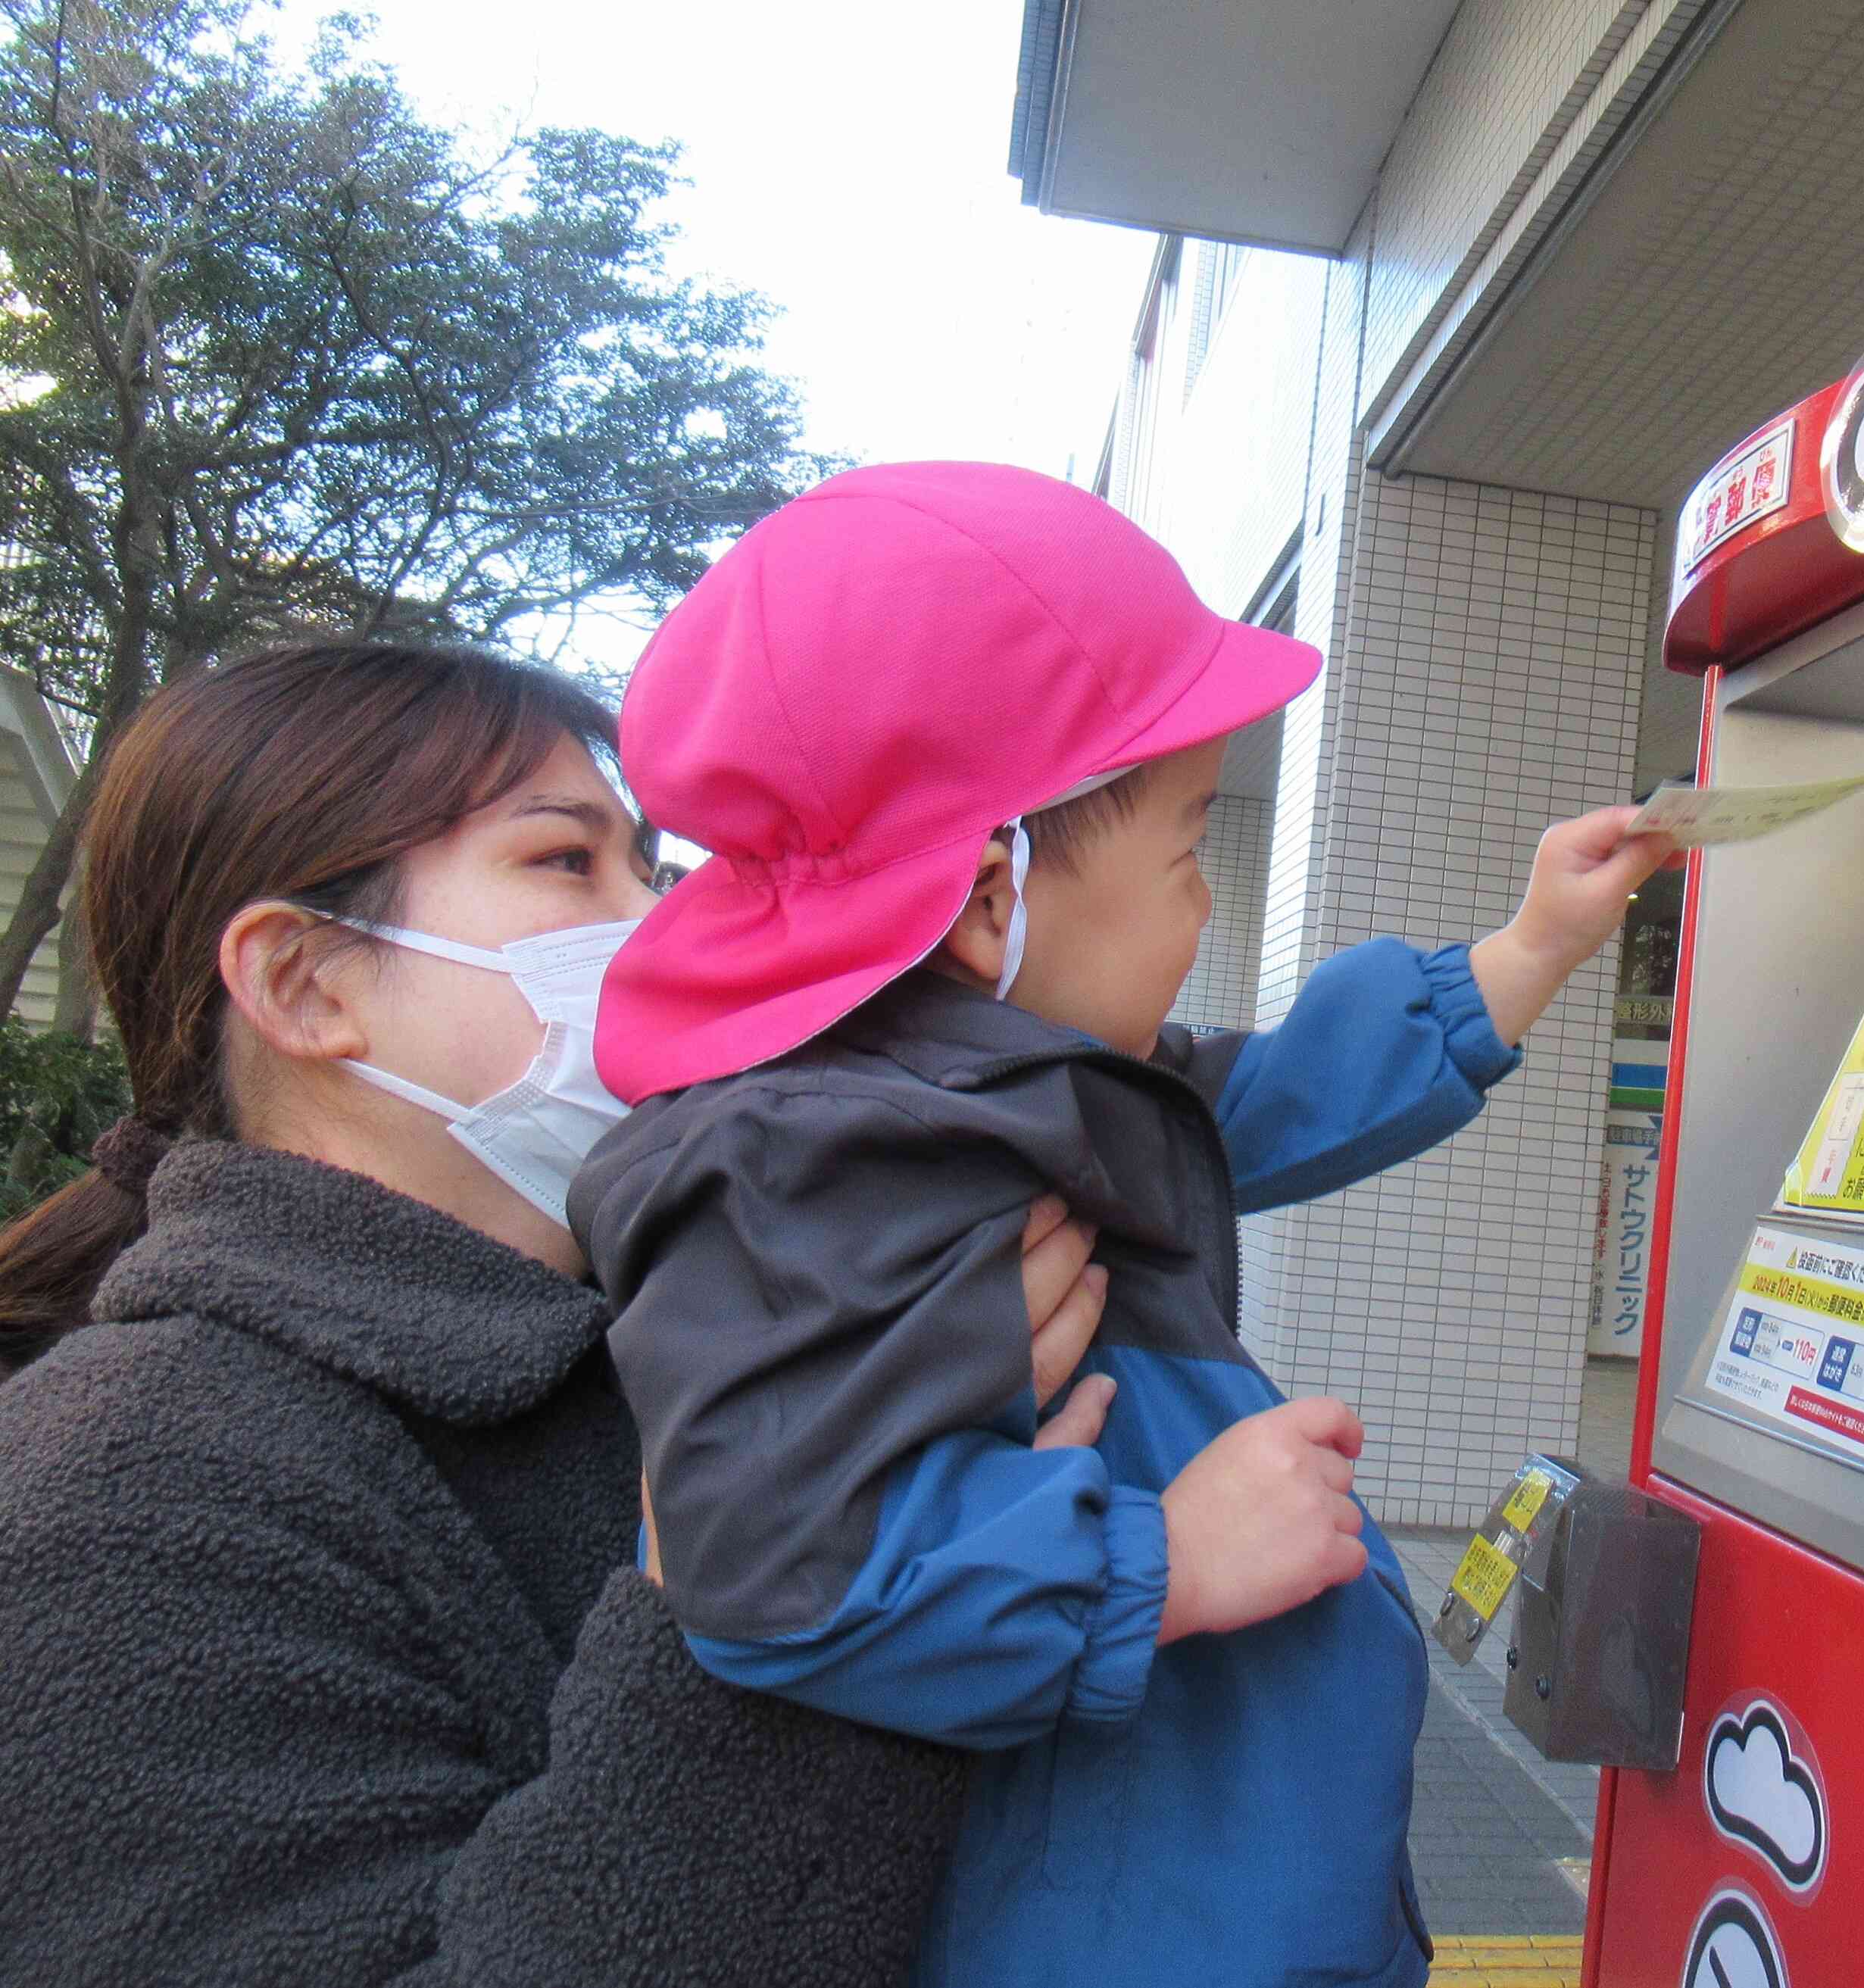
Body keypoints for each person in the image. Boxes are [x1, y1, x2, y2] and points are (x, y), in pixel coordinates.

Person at [573, 461, 1669, 1988]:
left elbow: (1266, 1096)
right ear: (984, 897)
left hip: (1214, 1884)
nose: (1207, 904)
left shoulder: (1014, 1088)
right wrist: (1164, 1558)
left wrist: (1531, 944)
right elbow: (776, 1575)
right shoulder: (809, 1162)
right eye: (1185, 846)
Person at [0, 636, 1119, 1985]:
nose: (668, 918)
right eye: (566, 861)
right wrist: (794, 1572)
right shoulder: (124, 1493)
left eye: (648, 863)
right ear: (306, 984)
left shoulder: (673, 1335)